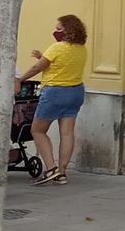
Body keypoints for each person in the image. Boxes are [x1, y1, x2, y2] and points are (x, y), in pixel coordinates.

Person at [14, 14, 88, 186]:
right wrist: (42, 56)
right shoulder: (81, 49)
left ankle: (51, 168)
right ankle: (62, 172)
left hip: (55, 92)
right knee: (67, 133)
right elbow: (59, 65)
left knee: (37, 130)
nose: (55, 31)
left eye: (59, 28)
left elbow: (37, 68)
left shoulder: (57, 47)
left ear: (68, 30)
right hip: (76, 92)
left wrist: (20, 79)